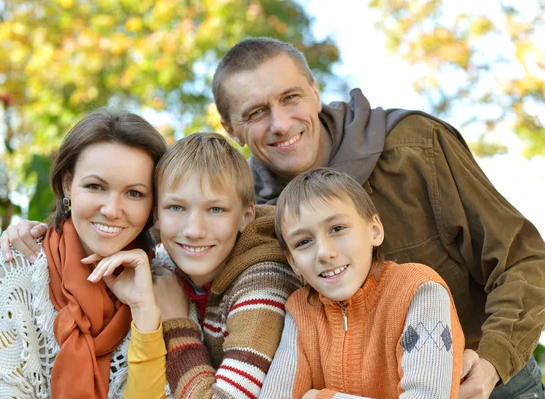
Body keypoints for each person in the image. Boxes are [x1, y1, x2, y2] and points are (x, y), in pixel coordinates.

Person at [211, 38, 545, 398]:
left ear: (314, 91)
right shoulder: (246, 219)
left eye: (290, 97)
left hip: (481, 380)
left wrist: (493, 362)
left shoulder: (414, 147)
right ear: (232, 129)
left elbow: (524, 259)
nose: (280, 123)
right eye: (256, 113)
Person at [0, 132, 302, 398]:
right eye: (95, 186)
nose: (194, 229)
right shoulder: (165, 265)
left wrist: (162, 318)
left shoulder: (177, 277)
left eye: (133, 192)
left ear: (149, 206)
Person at [0, 109, 169, 398]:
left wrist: (143, 309)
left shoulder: (167, 280)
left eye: (134, 193)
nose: (112, 210)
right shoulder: (14, 273)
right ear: (68, 184)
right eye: (95, 186)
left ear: (153, 201)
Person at [259, 167, 464, 398]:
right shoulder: (300, 312)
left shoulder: (419, 290)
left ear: (374, 231)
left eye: (337, 229)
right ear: (292, 262)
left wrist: (320, 398)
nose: (324, 253)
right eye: (304, 242)